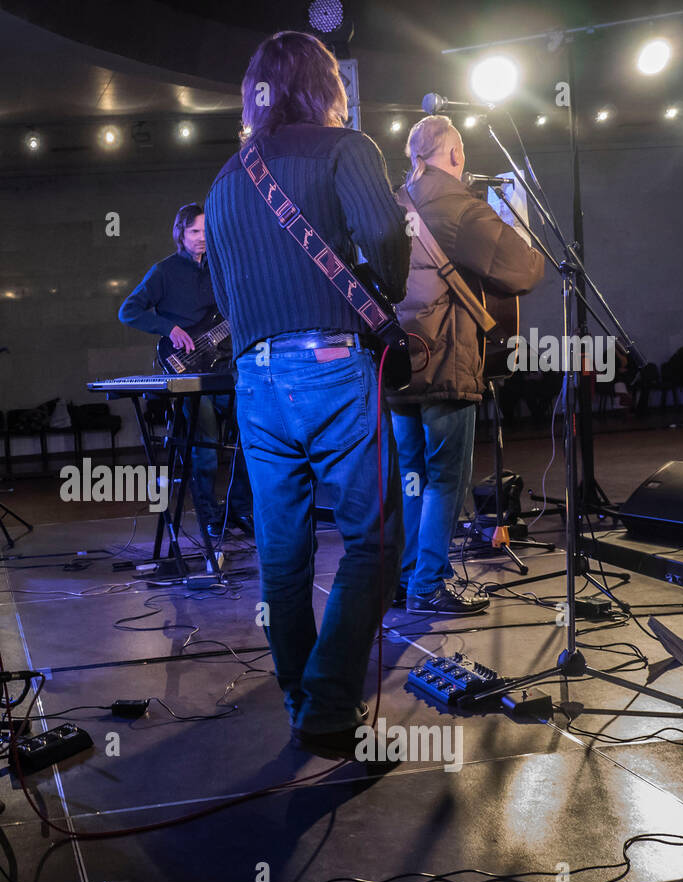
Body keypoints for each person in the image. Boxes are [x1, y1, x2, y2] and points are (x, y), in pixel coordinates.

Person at [205, 31, 410, 759]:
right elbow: (386, 230)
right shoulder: (344, 148)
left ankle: (303, 700)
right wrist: (375, 284)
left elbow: (225, 296)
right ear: (327, 85)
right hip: (329, 363)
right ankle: (327, 702)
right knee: (378, 539)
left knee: (281, 554)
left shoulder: (226, 179)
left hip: (255, 383)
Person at [389, 115, 545, 615]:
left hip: (397, 363)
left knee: (410, 476)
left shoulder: (392, 204)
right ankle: (429, 587)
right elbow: (520, 269)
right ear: (455, 155)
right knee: (444, 481)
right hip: (445, 364)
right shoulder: (457, 205)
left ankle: (406, 578)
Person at [118, 204, 252, 536]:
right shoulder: (163, 271)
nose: (201, 238)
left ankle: (238, 510)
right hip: (188, 371)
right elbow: (128, 310)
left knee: (252, 437)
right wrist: (168, 328)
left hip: (226, 366)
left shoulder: (221, 269)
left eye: (206, 231)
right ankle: (208, 515)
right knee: (203, 445)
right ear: (180, 233)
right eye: (194, 231)